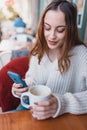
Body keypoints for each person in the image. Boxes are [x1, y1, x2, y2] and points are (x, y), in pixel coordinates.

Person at [12, 0, 87, 120]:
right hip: (33, 114)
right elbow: (33, 80)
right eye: (47, 28)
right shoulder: (39, 51)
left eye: (60, 30)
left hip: (65, 122)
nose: (52, 36)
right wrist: (21, 88)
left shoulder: (81, 54)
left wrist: (62, 103)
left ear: (71, 30)